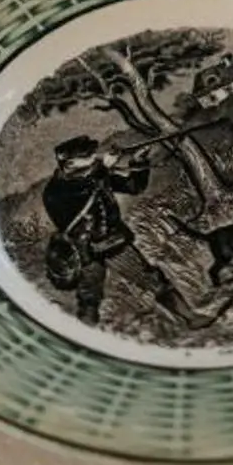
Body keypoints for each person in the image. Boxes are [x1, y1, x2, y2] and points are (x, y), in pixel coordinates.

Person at [40, 137, 149, 324]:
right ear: (70, 163)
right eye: (88, 155)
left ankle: (189, 317)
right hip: (85, 253)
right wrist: (103, 170)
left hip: (114, 241)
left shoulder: (94, 176)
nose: (94, 157)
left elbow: (133, 187)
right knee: (89, 299)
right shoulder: (55, 191)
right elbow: (79, 197)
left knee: (153, 280)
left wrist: (139, 162)